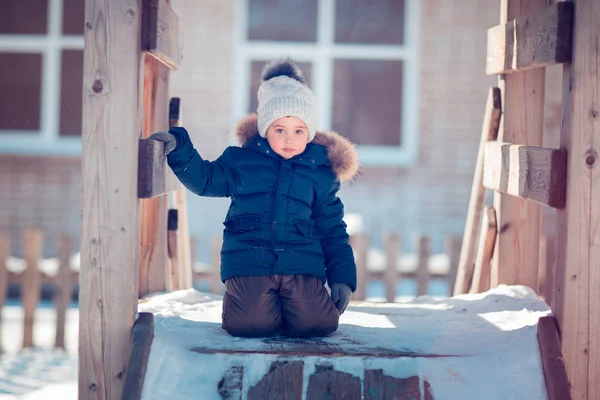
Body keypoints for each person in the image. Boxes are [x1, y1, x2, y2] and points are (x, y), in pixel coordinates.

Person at [150, 59, 359, 338]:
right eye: (279, 130)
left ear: (309, 133)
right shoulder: (242, 162)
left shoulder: (320, 173)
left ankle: (288, 309)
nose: (289, 139)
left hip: (301, 266)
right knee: (248, 325)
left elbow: (333, 229)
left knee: (318, 325)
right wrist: (180, 150)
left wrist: (342, 279)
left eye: (298, 131)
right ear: (264, 128)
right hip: (250, 264)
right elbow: (206, 180)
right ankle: (257, 307)